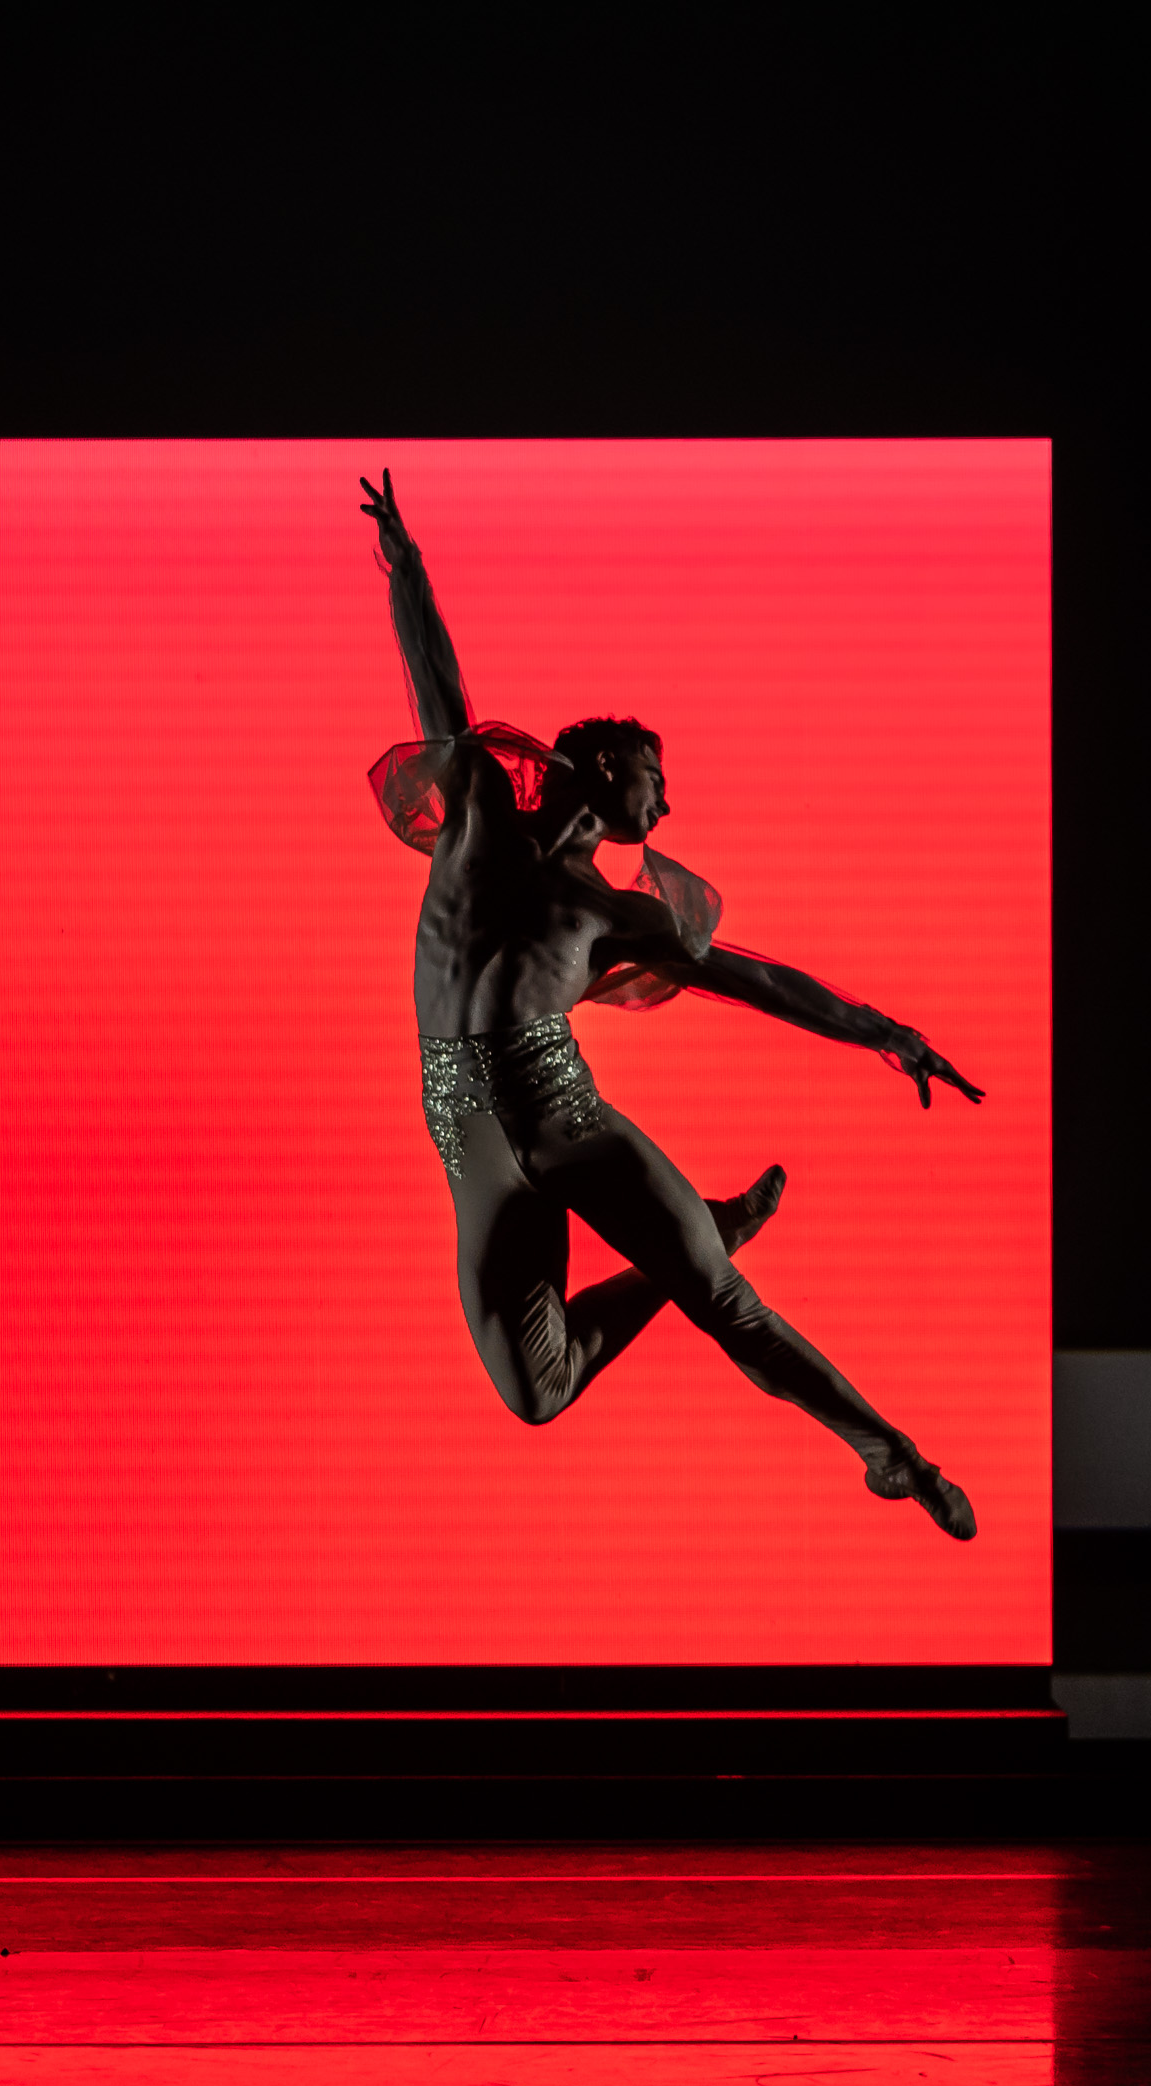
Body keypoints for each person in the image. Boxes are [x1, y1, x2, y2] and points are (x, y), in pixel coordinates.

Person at [359, 470, 983, 1540]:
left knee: (723, 1307)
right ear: (607, 768)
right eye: (656, 776)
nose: (667, 800)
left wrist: (887, 1034)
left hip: (560, 1112)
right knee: (539, 1392)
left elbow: (759, 980)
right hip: (464, 1129)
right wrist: (403, 565)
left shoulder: (617, 916)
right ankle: (712, 1231)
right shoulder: (480, 817)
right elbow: (437, 689)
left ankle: (896, 1457)